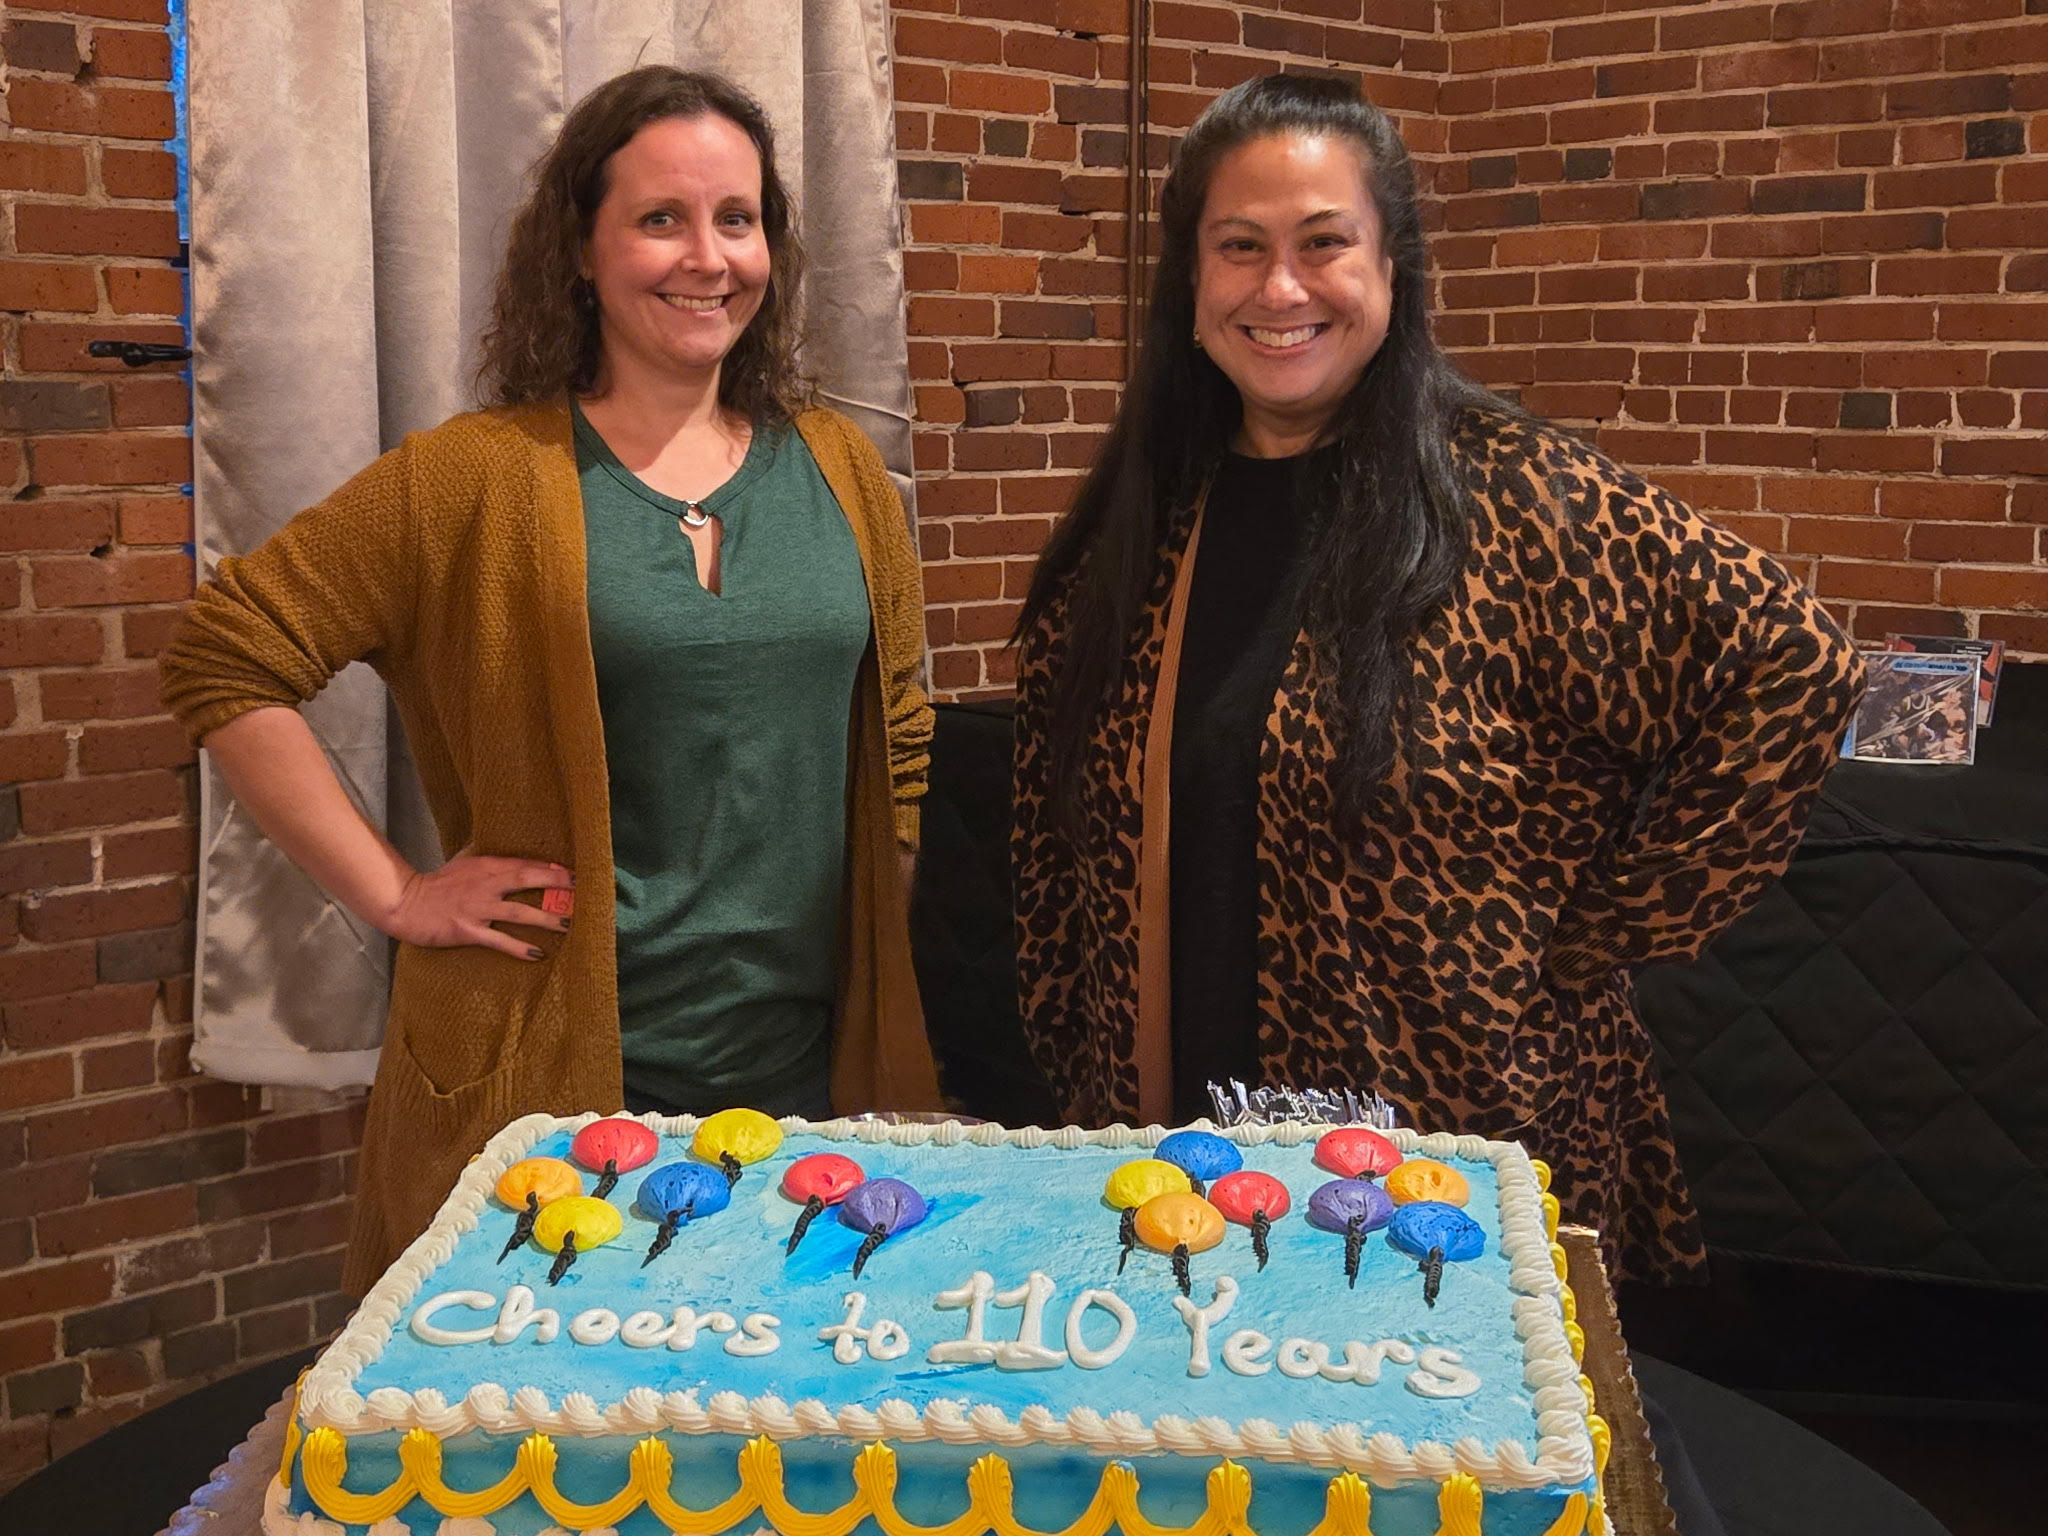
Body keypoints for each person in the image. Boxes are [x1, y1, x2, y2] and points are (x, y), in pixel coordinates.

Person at [1011, 74, 1863, 1282]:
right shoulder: (1143, 519)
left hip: (1447, 1166)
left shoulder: (1511, 499)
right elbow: (1054, 840)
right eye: (1238, 248)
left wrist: (1588, 938)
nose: (1279, 289)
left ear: (1392, 268)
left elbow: (1796, 668)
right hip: (1177, 1148)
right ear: (1188, 283)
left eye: (1323, 245)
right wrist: (1075, 1076)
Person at [162, 67, 940, 1294]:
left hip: (810, 1079)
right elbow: (225, 656)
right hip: (558, 1083)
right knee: (555, 1448)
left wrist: (883, 899)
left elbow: (896, 715)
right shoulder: (476, 477)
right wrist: (398, 891)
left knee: (775, 1441)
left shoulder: (838, 465)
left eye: (736, 219)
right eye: (659, 219)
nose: (707, 257)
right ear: (581, 248)